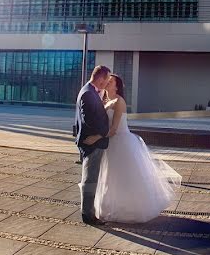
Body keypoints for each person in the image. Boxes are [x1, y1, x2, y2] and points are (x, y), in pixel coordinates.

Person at [93, 74, 182, 223]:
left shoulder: (119, 101)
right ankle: (112, 205)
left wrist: (96, 138)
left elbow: (114, 129)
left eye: (111, 81)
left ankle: (130, 208)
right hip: (110, 144)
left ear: (117, 86)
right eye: (107, 80)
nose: (107, 82)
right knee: (111, 177)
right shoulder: (105, 100)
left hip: (121, 142)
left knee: (126, 177)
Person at [74, 65, 112, 225]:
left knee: (91, 178)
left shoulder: (89, 90)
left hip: (92, 141)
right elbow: (89, 119)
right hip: (92, 143)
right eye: (107, 79)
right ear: (101, 78)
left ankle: (88, 211)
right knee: (90, 179)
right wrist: (103, 133)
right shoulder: (89, 93)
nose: (107, 83)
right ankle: (88, 215)